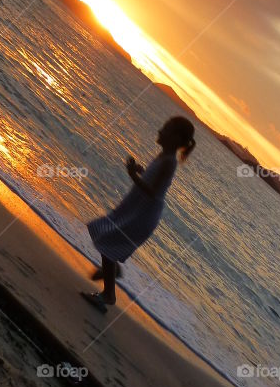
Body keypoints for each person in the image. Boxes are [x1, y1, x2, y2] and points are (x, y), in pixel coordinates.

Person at [81, 115, 195, 312]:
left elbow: (152, 192)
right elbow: (154, 183)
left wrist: (133, 175)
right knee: (104, 233)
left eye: (166, 129)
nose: (160, 131)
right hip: (134, 207)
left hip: (143, 213)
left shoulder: (169, 161)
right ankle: (112, 272)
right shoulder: (162, 156)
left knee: (108, 239)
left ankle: (108, 295)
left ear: (176, 139)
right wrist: (141, 172)